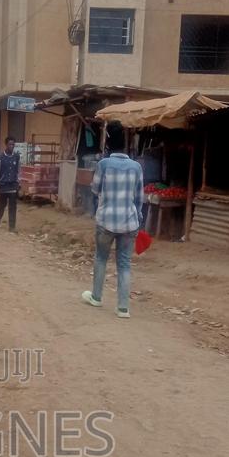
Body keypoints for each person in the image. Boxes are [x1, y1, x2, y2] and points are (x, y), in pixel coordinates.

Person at [82, 121, 144, 319]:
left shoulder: (104, 164)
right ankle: (123, 308)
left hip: (106, 221)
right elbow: (139, 198)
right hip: (129, 222)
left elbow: (94, 189)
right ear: (125, 144)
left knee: (101, 258)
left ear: (107, 142)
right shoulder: (136, 167)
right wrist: (137, 215)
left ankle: (97, 297)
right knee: (124, 264)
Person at [0, 136, 20, 234]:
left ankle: (12, 226)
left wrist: (18, 182)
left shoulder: (16, 157)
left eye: (13, 144)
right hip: (3, 186)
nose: (11, 146)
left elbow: (18, 171)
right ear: (6, 145)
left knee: (13, 207)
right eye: (10, 144)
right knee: (2, 205)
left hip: (13, 185)